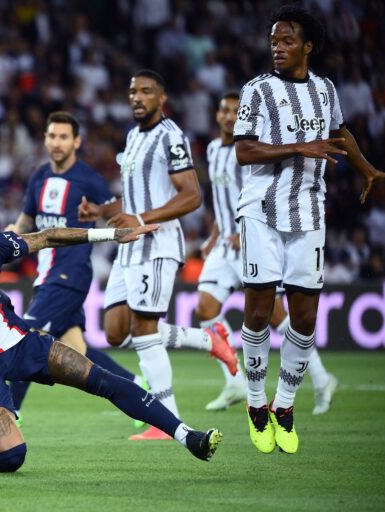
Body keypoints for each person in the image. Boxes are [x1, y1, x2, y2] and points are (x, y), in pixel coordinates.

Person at [0, 218, 223, 471]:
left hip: (20, 342)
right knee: (12, 457)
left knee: (101, 379)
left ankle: (187, 436)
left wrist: (110, 235)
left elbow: (46, 237)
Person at [233, 5, 385, 454]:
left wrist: (366, 169)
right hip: (261, 210)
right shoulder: (257, 90)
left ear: (308, 46)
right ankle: (256, 403)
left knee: (304, 318)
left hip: (309, 212)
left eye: (287, 41)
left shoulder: (325, 89)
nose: (277, 48)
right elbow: (244, 151)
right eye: (273, 42)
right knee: (259, 312)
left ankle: (284, 406)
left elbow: (339, 134)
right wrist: (299, 146)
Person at [78, 70, 237, 441]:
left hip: (157, 245)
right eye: (133, 90)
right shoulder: (133, 137)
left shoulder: (171, 136)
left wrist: (140, 219)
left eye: (146, 91)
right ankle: (209, 340)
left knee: (145, 329)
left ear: (161, 98)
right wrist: (101, 210)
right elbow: (134, 198)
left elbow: (192, 195)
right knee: (116, 332)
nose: (137, 97)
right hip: (129, 246)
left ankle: (166, 422)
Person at [197, 91, 338, 414]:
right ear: (217, 115)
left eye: (235, 111)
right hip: (225, 244)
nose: (229, 116)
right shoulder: (213, 149)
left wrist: (246, 229)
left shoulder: (249, 152)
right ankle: (235, 381)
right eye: (224, 110)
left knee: (276, 318)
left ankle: (321, 378)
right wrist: (214, 236)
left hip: (251, 239)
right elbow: (223, 199)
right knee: (205, 308)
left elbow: (258, 193)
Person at [6, 111, 145, 419]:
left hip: (70, 274)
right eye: (52, 136)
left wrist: (105, 214)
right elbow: (27, 219)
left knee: (24, 339)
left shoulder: (89, 180)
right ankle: (137, 384)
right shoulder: (39, 177)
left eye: (64, 137)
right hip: (46, 275)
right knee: (77, 351)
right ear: (45, 139)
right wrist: (11, 234)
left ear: (76, 142)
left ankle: (10, 411)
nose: (57, 143)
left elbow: (119, 212)